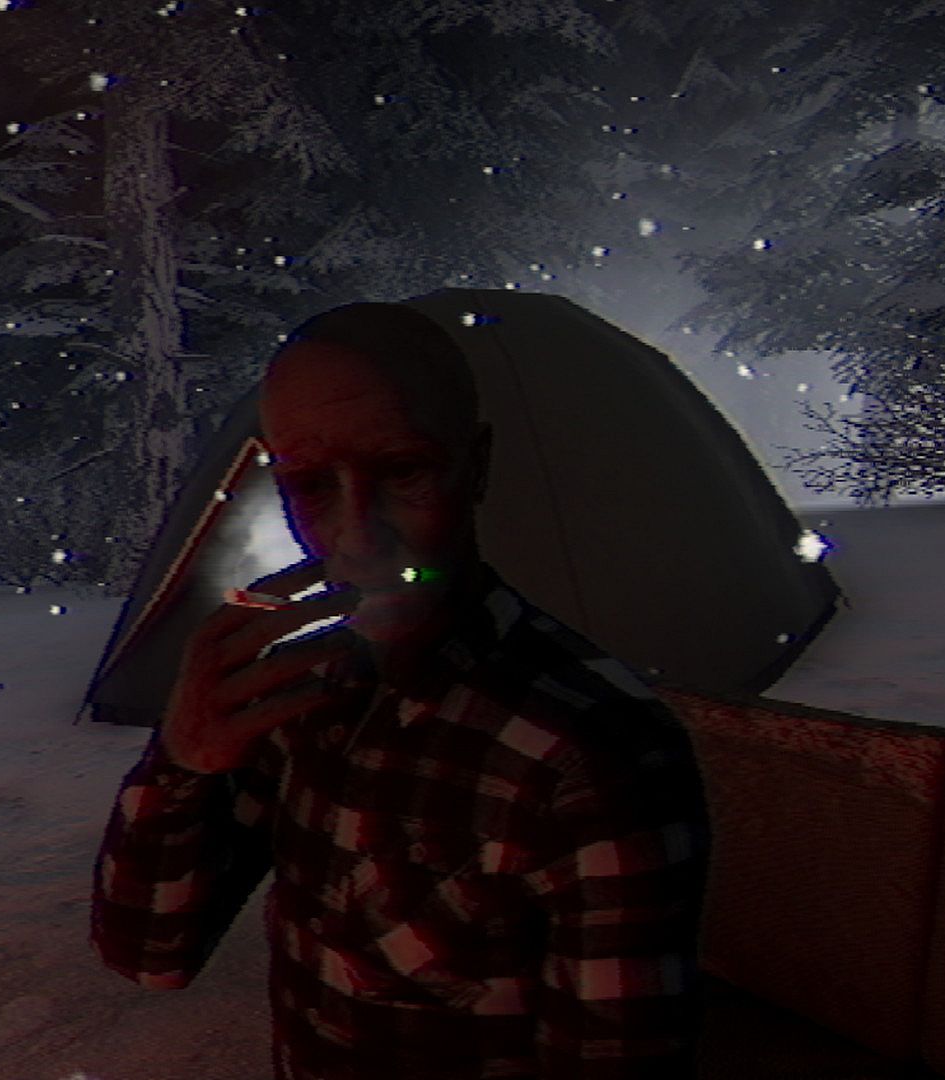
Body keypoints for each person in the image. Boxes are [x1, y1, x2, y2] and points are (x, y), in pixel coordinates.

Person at [91, 301, 712, 1078]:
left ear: (474, 466)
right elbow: (149, 951)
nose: (358, 535)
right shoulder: (303, 691)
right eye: (311, 485)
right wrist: (182, 762)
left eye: (403, 471)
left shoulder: (595, 755)